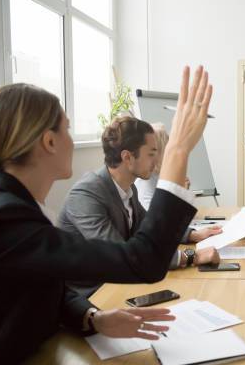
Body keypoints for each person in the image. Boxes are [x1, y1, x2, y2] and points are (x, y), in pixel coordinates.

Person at [0, 66, 212, 365]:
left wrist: (94, 317)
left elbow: (43, 285)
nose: (72, 141)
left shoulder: (9, 206)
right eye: (68, 130)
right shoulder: (0, 219)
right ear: (49, 141)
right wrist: (178, 150)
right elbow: (143, 260)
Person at [58, 117, 221, 297]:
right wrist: (191, 257)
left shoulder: (129, 188)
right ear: (127, 157)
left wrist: (191, 235)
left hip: (119, 283)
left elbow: (148, 227)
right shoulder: (86, 195)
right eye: (151, 153)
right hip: (92, 296)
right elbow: (121, 256)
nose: (157, 159)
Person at [135, 122, 192, 209]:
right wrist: (180, 194)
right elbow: (155, 218)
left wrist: (182, 192)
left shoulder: (162, 175)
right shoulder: (145, 179)